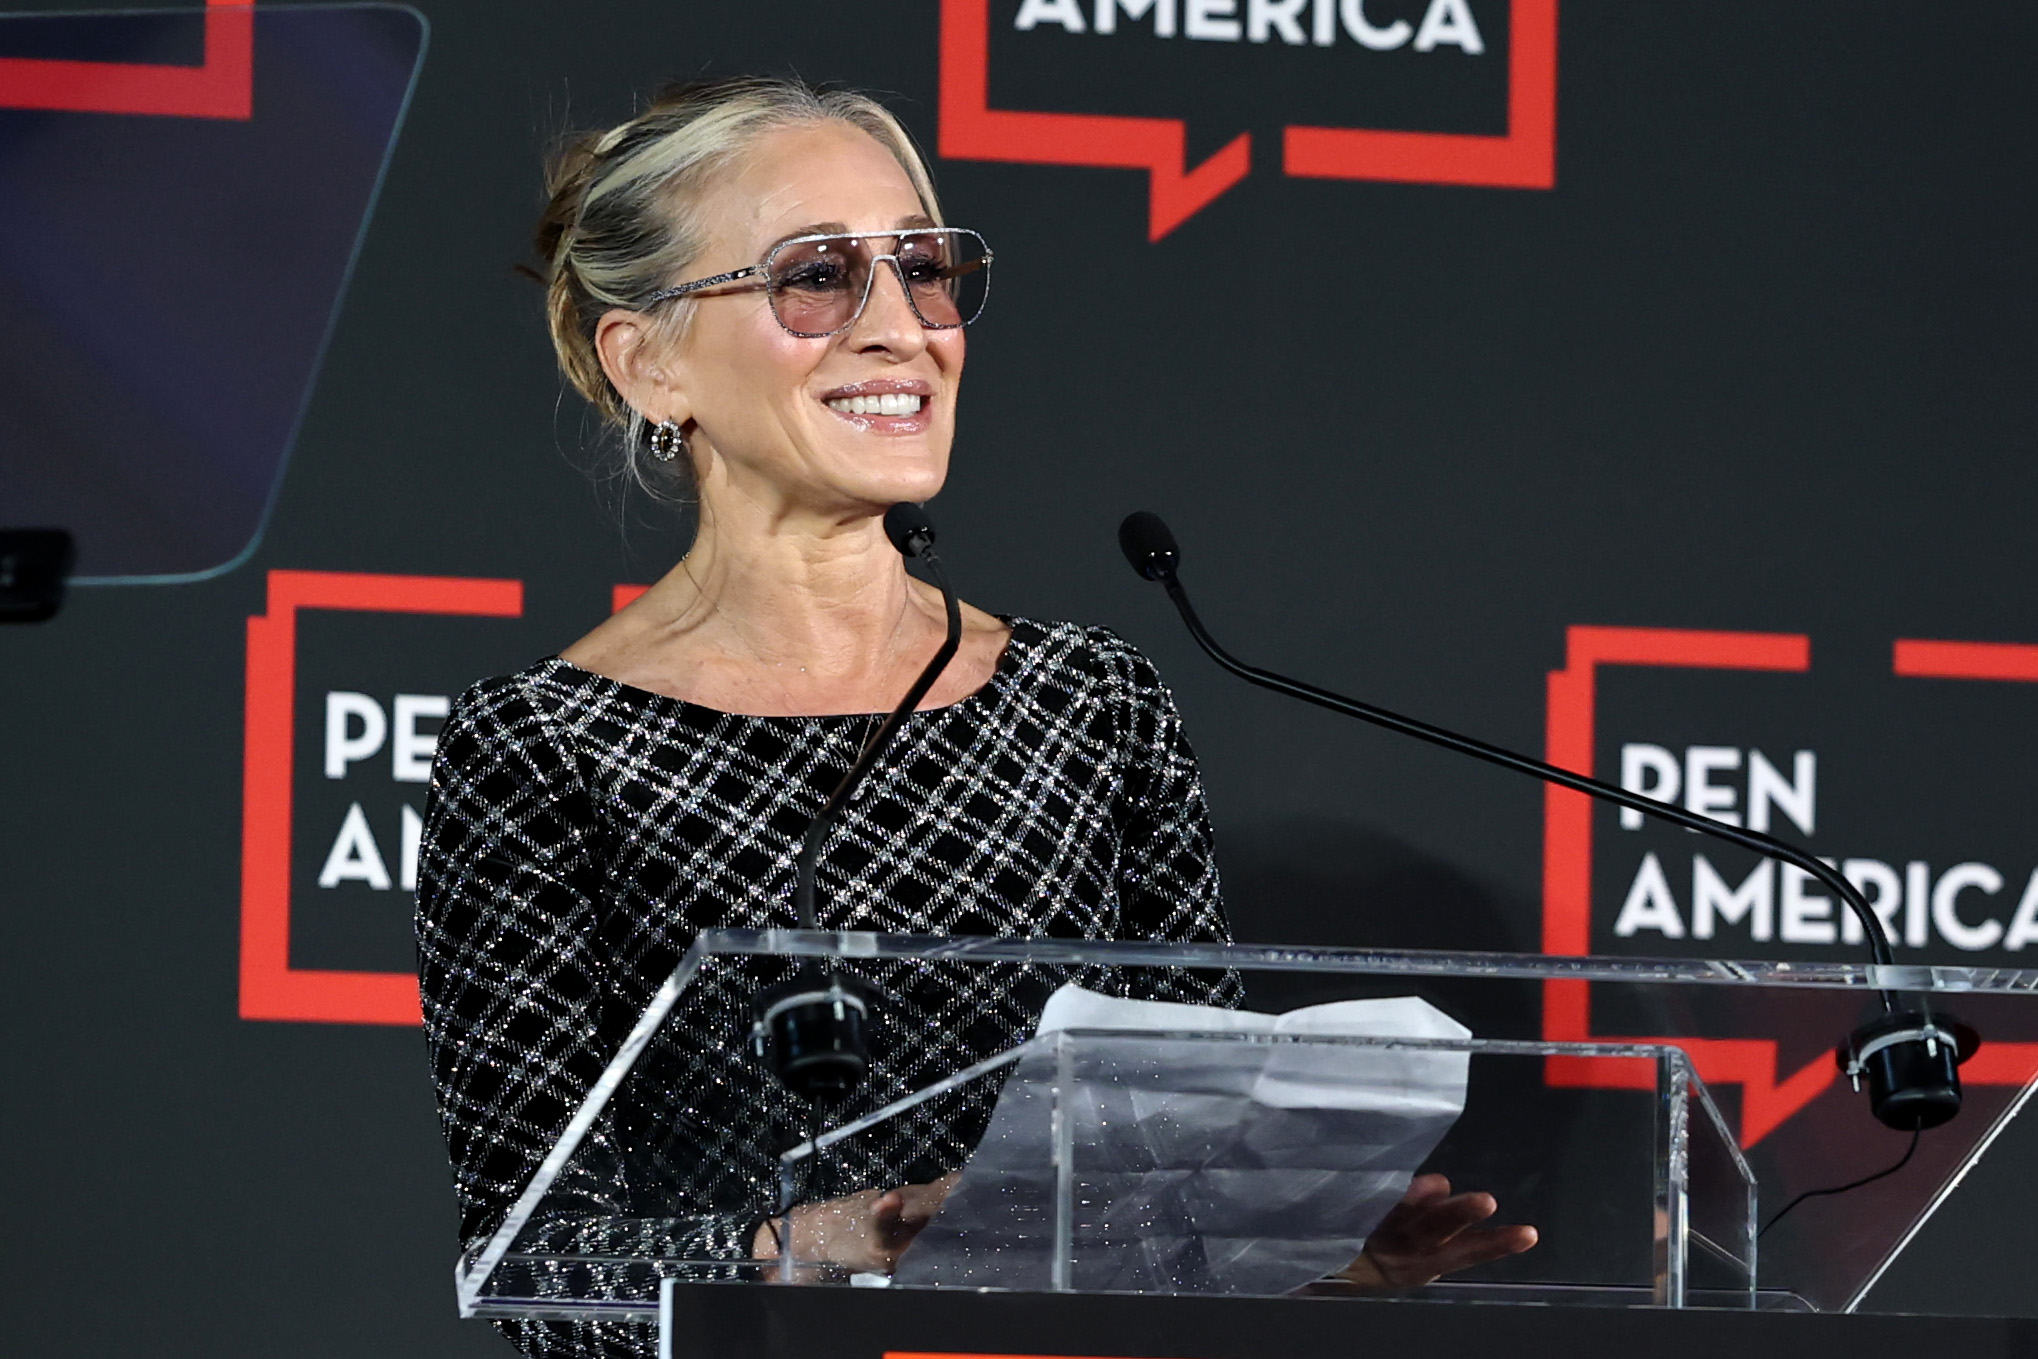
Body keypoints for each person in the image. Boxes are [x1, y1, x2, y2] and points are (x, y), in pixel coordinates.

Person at [414, 76, 1533, 1359]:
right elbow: (540, 1270)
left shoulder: (1091, 701)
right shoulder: (544, 749)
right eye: (817, 276)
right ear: (649, 358)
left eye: (927, 271)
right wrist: (834, 1246)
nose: (903, 329)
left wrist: (1292, 1257)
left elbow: (1186, 1183)